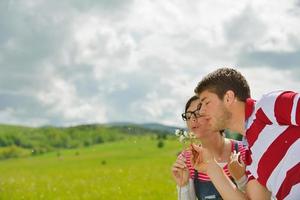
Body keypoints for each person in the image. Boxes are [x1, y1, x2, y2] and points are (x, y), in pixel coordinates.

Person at [193, 67, 300, 200]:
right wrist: (211, 167)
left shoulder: (267, 106)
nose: (201, 111)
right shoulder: (251, 158)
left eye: (206, 102)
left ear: (228, 98)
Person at [171, 95, 248, 200]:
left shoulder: (244, 152)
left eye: (198, 113)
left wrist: (241, 179)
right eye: (188, 116)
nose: (192, 119)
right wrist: (183, 186)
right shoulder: (188, 159)